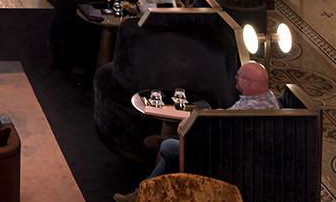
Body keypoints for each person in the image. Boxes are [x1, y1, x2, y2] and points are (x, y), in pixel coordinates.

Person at [114, 62, 276, 202]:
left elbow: (220, 128)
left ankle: (142, 192)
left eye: (240, 76)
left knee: (169, 148)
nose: (235, 77)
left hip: (224, 161)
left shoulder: (245, 112)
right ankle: (140, 193)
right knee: (170, 156)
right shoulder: (269, 99)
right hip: (236, 152)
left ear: (251, 83)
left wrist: (193, 122)